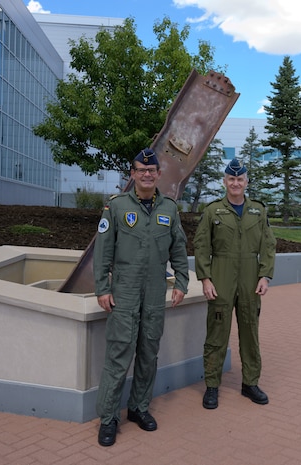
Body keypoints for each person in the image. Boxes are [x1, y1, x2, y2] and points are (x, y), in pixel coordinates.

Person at [93, 148, 189, 447]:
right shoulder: (117, 207)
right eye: (140, 170)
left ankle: (138, 408)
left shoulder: (169, 209)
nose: (147, 174)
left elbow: (179, 250)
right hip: (124, 294)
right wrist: (102, 288)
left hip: (154, 294)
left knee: (148, 354)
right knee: (119, 356)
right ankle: (109, 418)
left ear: (158, 174)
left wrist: (182, 282)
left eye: (152, 170)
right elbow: (103, 252)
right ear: (132, 174)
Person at [193, 158, 277, 410]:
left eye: (240, 179)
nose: (235, 183)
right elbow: (201, 246)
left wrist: (265, 275)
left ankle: (250, 383)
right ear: (224, 181)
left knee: (250, 332)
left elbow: (269, 245)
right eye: (231, 179)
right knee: (217, 333)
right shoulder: (212, 211)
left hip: (251, 279)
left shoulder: (258, 211)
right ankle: (211, 386)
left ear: (246, 182)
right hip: (221, 276)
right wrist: (205, 278)